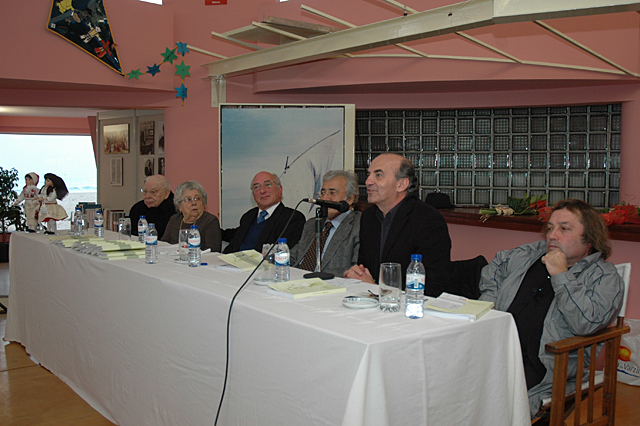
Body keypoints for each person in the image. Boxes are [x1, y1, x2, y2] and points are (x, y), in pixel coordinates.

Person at [478, 199, 625, 418]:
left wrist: (561, 275)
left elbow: (586, 322)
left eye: (564, 229)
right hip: (498, 354)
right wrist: (490, 306)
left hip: (546, 368)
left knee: (485, 401)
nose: (552, 236)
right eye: (550, 228)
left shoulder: (604, 277)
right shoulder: (530, 255)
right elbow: (496, 267)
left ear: (590, 240)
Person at [344, 153, 452, 296]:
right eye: (369, 175)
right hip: (370, 301)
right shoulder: (369, 217)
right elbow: (366, 269)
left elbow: (432, 286)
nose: (368, 181)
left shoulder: (428, 220)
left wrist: (378, 289)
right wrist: (356, 274)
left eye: (378, 175)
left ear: (401, 185)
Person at [290, 170, 361, 277]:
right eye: (323, 193)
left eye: (332, 193)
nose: (325, 199)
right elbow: (294, 257)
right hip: (296, 279)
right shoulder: (312, 223)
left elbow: (356, 270)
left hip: (330, 286)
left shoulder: (359, 224)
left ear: (350, 199)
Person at [222, 171, 305, 254]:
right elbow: (234, 239)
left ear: (280, 190)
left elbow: (283, 254)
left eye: (268, 185)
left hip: (263, 265)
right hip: (233, 263)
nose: (262, 191)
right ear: (253, 195)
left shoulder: (292, 218)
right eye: (257, 187)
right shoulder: (248, 216)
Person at [161, 180, 222, 252]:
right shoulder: (174, 219)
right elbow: (164, 245)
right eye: (188, 199)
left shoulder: (210, 221)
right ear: (180, 206)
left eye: (197, 199)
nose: (193, 203)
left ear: (203, 202)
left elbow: (213, 251)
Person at [129, 175, 175, 239]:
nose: (148, 196)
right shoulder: (137, 209)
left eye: (153, 192)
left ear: (166, 193)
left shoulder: (176, 209)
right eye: (145, 191)